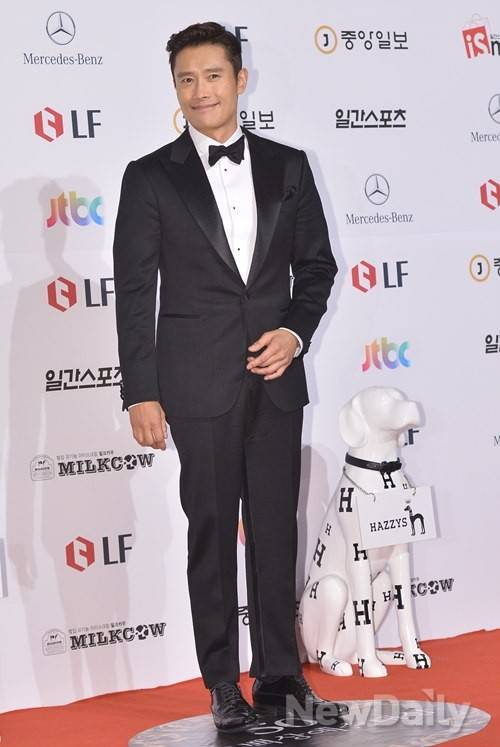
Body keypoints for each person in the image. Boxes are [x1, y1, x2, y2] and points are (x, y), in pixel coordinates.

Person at [113, 21, 347, 733]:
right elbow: (135, 293)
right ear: (175, 89)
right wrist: (141, 391)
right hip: (195, 384)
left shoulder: (288, 165)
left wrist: (294, 333)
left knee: (275, 531)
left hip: (276, 382)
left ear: (240, 80)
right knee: (212, 536)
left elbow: (317, 268)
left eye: (212, 75)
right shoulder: (150, 176)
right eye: (186, 79)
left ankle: (280, 678)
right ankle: (222, 684)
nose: (200, 90)